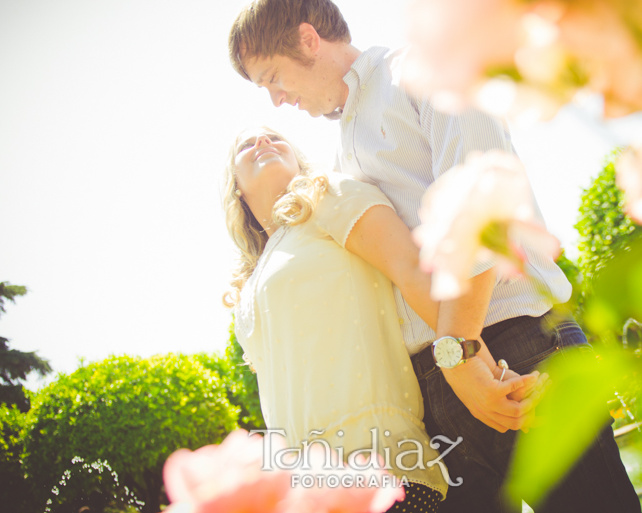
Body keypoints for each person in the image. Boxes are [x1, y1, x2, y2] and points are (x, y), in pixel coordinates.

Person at [227, 0, 642, 513]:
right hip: (438, 388)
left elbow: (486, 209)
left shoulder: (423, 71)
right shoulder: (343, 148)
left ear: (308, 40)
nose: (277, 99)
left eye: (272, 78)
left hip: (515, 348)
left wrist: (462, 353)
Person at [223, 126, 542, 512]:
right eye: (247, 144)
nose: (263, 142)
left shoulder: (325, 194)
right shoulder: (249, 278)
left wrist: (482, 368)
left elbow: (411, 271)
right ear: (235, 186)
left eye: (275, 138)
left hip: (382, 463)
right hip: (305, 484)